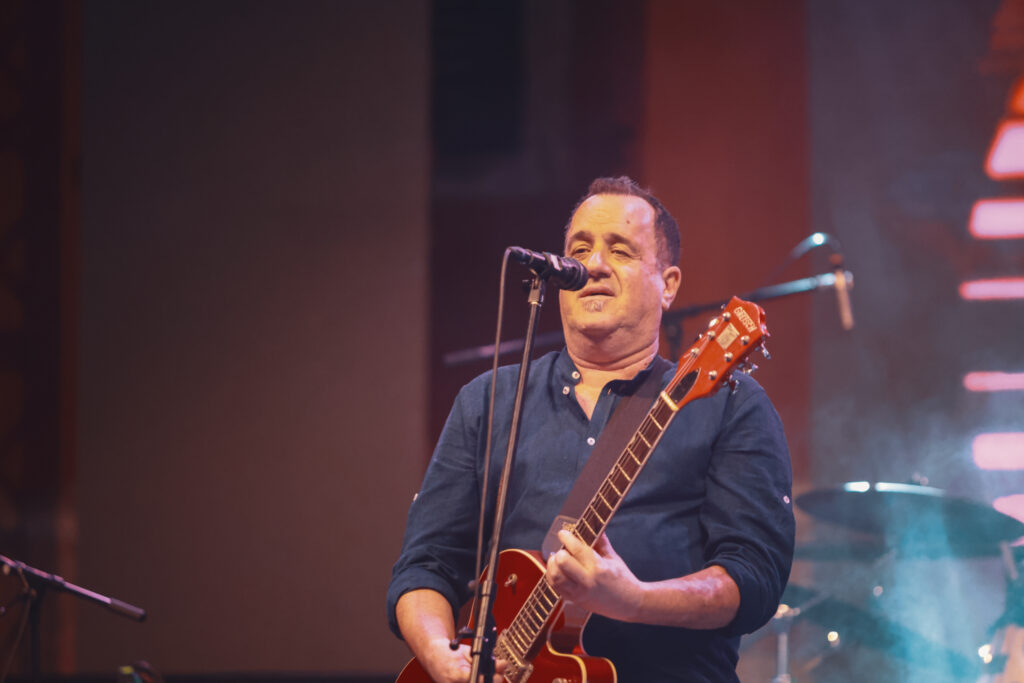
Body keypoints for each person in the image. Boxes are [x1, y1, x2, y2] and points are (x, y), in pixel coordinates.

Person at [386, 176, 795, 682]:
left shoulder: (730, 404)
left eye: (620, 251)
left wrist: (633, 599)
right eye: (579, 250)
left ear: (668, 285)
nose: (594, 265)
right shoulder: (488, 400)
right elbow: (425, 566)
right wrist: (440, 656)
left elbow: (754, 578)